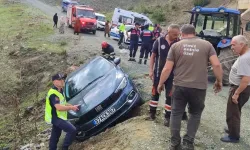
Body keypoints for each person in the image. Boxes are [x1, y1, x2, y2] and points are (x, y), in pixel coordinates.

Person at [157, 24, 223, 150]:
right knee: (195, 114)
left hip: (179, 86)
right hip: (199, 87)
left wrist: (160, 83)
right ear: (194, 33)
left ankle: (175, 143)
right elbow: (217, 65)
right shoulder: (207, 45)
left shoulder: (176, 46)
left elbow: (167, 68)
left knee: (176, 113)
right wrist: (219, 81)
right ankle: (188, 143)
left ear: (182, 33)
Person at [148, 24, 187, 127]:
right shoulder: (159, 41)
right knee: (155, 93)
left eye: (178, 34)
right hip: (158, 73)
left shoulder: (179, 43)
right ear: (168, 32)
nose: (177, 36)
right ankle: (152, 113)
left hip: (172, 75)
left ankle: (167, 118)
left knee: (170, 96)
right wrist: (151, 70)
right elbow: (153, 56)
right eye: (174, 34)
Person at [220, 35, 250, 143]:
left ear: (242, 44)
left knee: (232, 113)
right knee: (236, 111)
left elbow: (246, 79)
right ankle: (232, 128)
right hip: (240, 88)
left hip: (239, 88)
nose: (231, 47)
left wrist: (236, 93)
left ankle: (233, 136)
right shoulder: (245, 54)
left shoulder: (245, 58)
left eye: (233, 45)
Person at [45, 73, 80, 150]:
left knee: (55, 136)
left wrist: (72, 106)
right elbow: (59, 107)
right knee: (72, 130)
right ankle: (65, 148)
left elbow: (63, 103)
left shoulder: (60, 90)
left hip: (59, 116)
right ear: (54, 82)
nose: (62, 81)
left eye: (62, 79)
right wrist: (71, 107)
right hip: (55, 117)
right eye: (59, 79)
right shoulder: (53, 94)